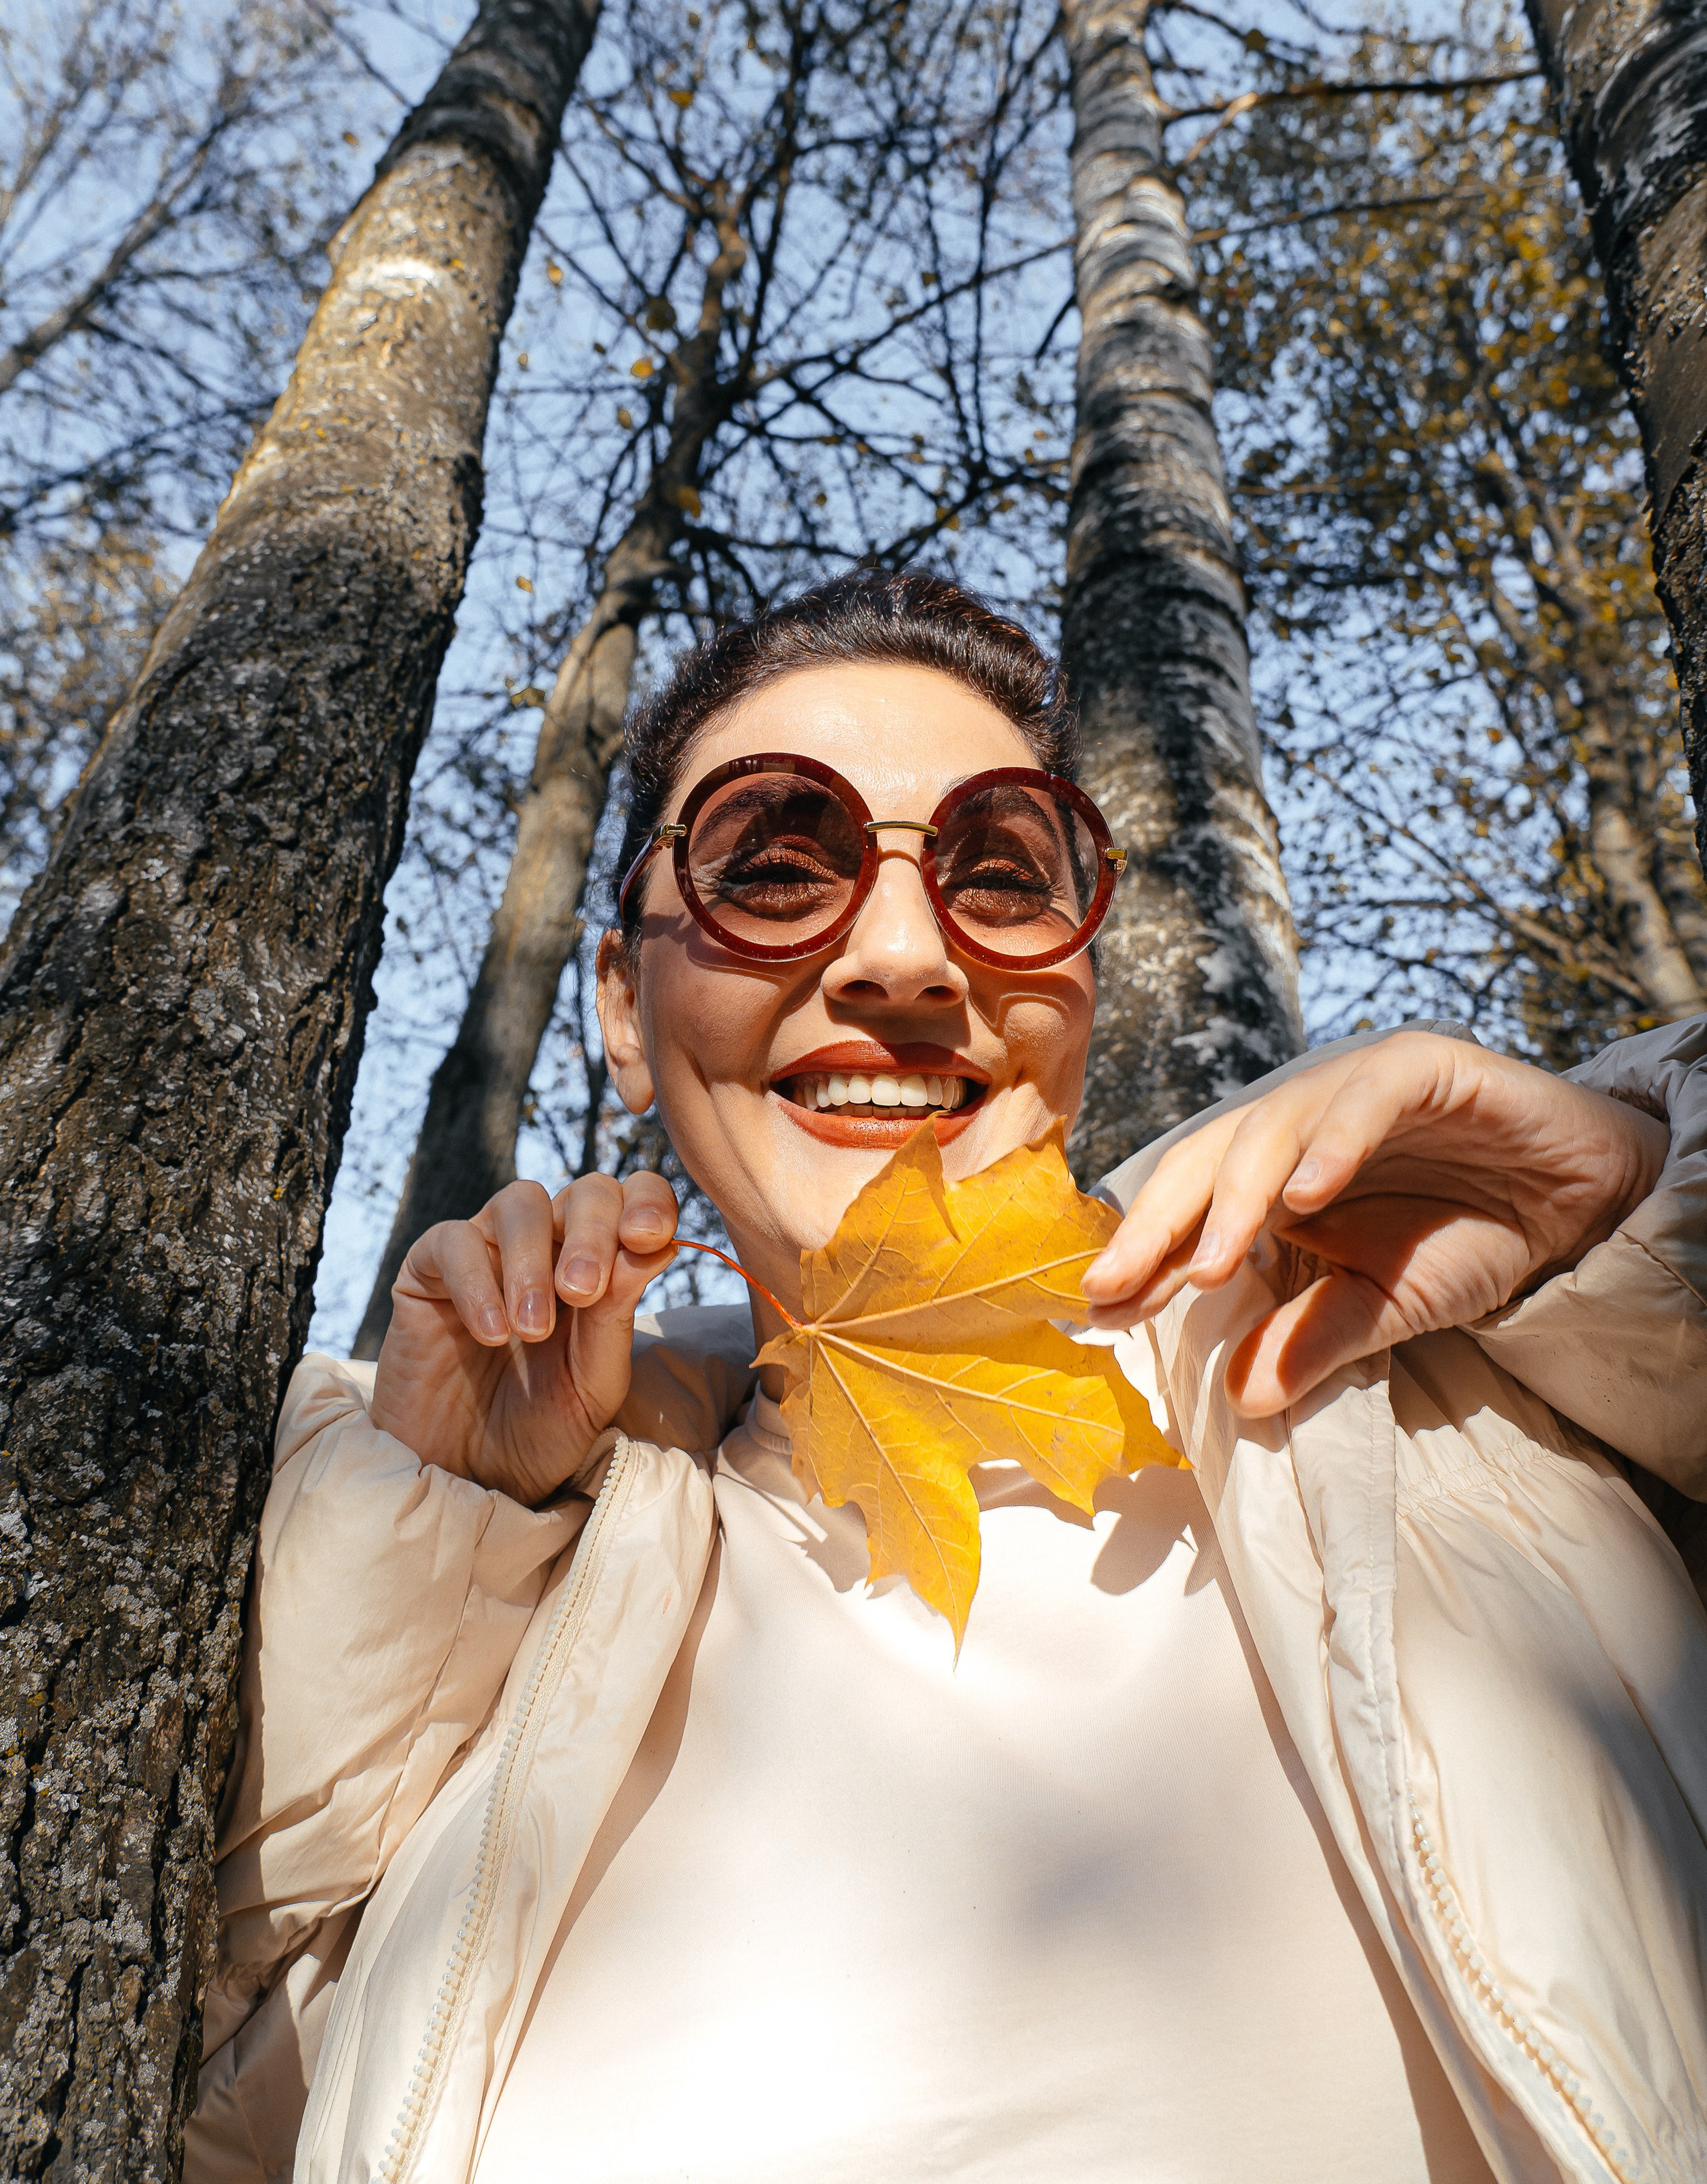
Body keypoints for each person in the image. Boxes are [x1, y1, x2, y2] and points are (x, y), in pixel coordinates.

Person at [189, 571, 1707, 2184]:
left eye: (997, 876)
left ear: (1082, 985)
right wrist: (442, 1539)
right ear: (622, 1010)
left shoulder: (1447, 1391)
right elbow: (179, 2108)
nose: (906, 956)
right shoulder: (471, 1567)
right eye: (776, 870)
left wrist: (1630, 1219)